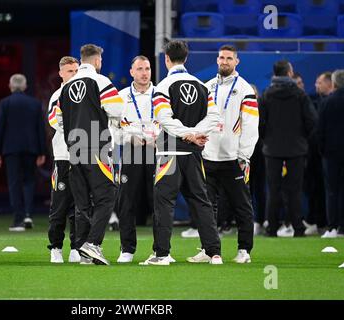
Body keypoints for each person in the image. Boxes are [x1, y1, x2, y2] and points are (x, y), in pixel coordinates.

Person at [142, 40, 222, 266]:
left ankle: (162, 254)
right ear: (186, 58)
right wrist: (196, 134)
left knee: (164, 203)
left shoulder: (162, 87)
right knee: (201, 201)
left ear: (166, 58)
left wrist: (187, 134)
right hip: (194, 154)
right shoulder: (202, 86)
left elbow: (166, 120)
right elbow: (215, 118)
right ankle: (213, 252)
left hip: (169, 152)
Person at [56, 44, 124, 265]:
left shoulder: (66, 88)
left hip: (74, 150)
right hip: (97, 147)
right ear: (97, 61)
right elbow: (117, 110)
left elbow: (58, 121)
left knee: (82, 201)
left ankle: (84, 250)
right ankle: (93, 244)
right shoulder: (101, 81)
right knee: (106, 196)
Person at [203, 45, 258, 263]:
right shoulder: (207, 86)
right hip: (208, 156)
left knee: (241, 205)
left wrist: (244, 155)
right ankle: (209, 249)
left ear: (237, 61)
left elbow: (251, 124)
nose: (224, 61)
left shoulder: (245, 89)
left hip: (234, 158)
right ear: (217, 60)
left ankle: (244, 250)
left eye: (228, 58)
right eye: (221, 57)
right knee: (207, 206)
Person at [259, 60, 317, 238]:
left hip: (272, 149)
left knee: (273, 189)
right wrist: (302, 140)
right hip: (296, 149)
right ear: (289, 72)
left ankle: (272, 229)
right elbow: (311, 121)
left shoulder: (267, 94)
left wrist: (266, 141)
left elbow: (259, 123)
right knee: (295, 190)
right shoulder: (300, 95)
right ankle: (298, 228)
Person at [114, 55, 159, 263]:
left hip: (156, 151)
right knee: (126, 202)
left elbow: (169, 123)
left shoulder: (161, 95)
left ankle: (160, 250)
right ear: (131, 72)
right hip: (131, 152)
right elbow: (114, 127)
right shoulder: (121, 97)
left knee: (158, 202)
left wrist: (158, 138)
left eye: (147, 68)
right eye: (140, 69)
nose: (144, 73)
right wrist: (129, 136)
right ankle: (127, 249)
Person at [0, 74, 46, 231]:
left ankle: (18, 219)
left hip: (11, 149)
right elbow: (40, 129)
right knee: (29, 181)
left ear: (10, 86)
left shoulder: (5, 103)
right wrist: (42, 151)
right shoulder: (35, 103)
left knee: (14, 183)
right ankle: (29, 214)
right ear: (24, 86)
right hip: (31, 148)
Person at [47, 56, 81, 263]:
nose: (74, 75)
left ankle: (76, 246)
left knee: (81, 204)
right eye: (70, 71)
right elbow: (54, 121)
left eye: (76, 70)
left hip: (82, 156)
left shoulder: (84, 93)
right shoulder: (57, 95)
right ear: (60, 73)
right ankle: (56, 247)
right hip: (63, 156)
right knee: (59, 204)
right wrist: (78, 131)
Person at [316, 69, 344, 238]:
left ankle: (333, 227)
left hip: (331, 155)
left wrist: (323, 151)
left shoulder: (327, 102)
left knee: (332, 191)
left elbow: (320, 130)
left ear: (334, 83)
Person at [303, 72, 333, 235]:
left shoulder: (326, 103)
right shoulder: (316, 101)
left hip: (326, 154)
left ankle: (329, 223)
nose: (316, 85)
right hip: (319, 154)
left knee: (330, 190)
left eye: (319, 82)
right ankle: (320, 221)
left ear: (329, 83)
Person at [248, 84, 267, 236]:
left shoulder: (262, 112)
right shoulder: (240, 111)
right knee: (245, 189)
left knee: (259, 189)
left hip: (259, 154)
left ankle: (259, 221)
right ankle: (247, 221)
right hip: (244, 154)